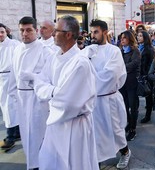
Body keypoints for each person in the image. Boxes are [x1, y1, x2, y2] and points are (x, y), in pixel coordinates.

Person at [20, 15, 98, 170]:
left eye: (56, 31)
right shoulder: (55, 57)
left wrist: (50, 91)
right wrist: (54, 91)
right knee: (52, 162)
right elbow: (41, 81)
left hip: (74, 125)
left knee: (74, 164)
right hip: (55, 123)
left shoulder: (80, 63)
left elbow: (67, 102)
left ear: (68, 35)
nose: (53, 34)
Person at [82, 19, 131, 169]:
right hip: (93, 100)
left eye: (96, 32)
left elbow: (110, 75)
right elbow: (78, 71)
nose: (93, 35)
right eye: (91, 32)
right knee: (94, 131)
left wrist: (89, 77)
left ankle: (125, 152)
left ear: (105, 32)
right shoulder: (88, 51)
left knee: (115, 129)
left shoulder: (114, 51)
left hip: (109, 98)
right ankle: (97, 158)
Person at [7, 16, 53, 170]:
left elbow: (49, 77)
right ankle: (32, 164)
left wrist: (33, 77)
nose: (25, 34)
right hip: (21, 99)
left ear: (36, 30)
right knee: (26, 135)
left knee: (39, 135)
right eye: (22, 30)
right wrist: (12, 94)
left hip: (37, 99)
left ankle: (41, 165)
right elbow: (13, 74)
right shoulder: (18, 49)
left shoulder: (45, 51)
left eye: (28, 30)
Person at [0, 23, 20, 151]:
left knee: (9, 108)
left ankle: (10, 137)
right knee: (8, 108)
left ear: (6, 32)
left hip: (10, 78)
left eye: (2, 32)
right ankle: (17, 132)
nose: (0, 34)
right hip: (1, 79)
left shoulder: (15, 45)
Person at [119, 30, 141, 141]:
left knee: (133, 106)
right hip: (122, 83)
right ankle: (129, 123)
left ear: (129, 39)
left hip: (132, 83)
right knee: (124, 106)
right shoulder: (120, 51)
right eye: (121, 38)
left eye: (124, 38)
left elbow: (132, 65)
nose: (122, 40)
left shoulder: (135, 51)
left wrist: (121, 68)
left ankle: (133, 129)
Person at [137, 30, 154, 123]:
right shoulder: (139, 47)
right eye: (138, 35)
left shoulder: (149, 49)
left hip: (146, 76)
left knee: (148, 95)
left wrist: (147, 75)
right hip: (139, 75)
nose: (138, 37)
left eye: (140, 36)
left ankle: (148, 115)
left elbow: (151, 64)